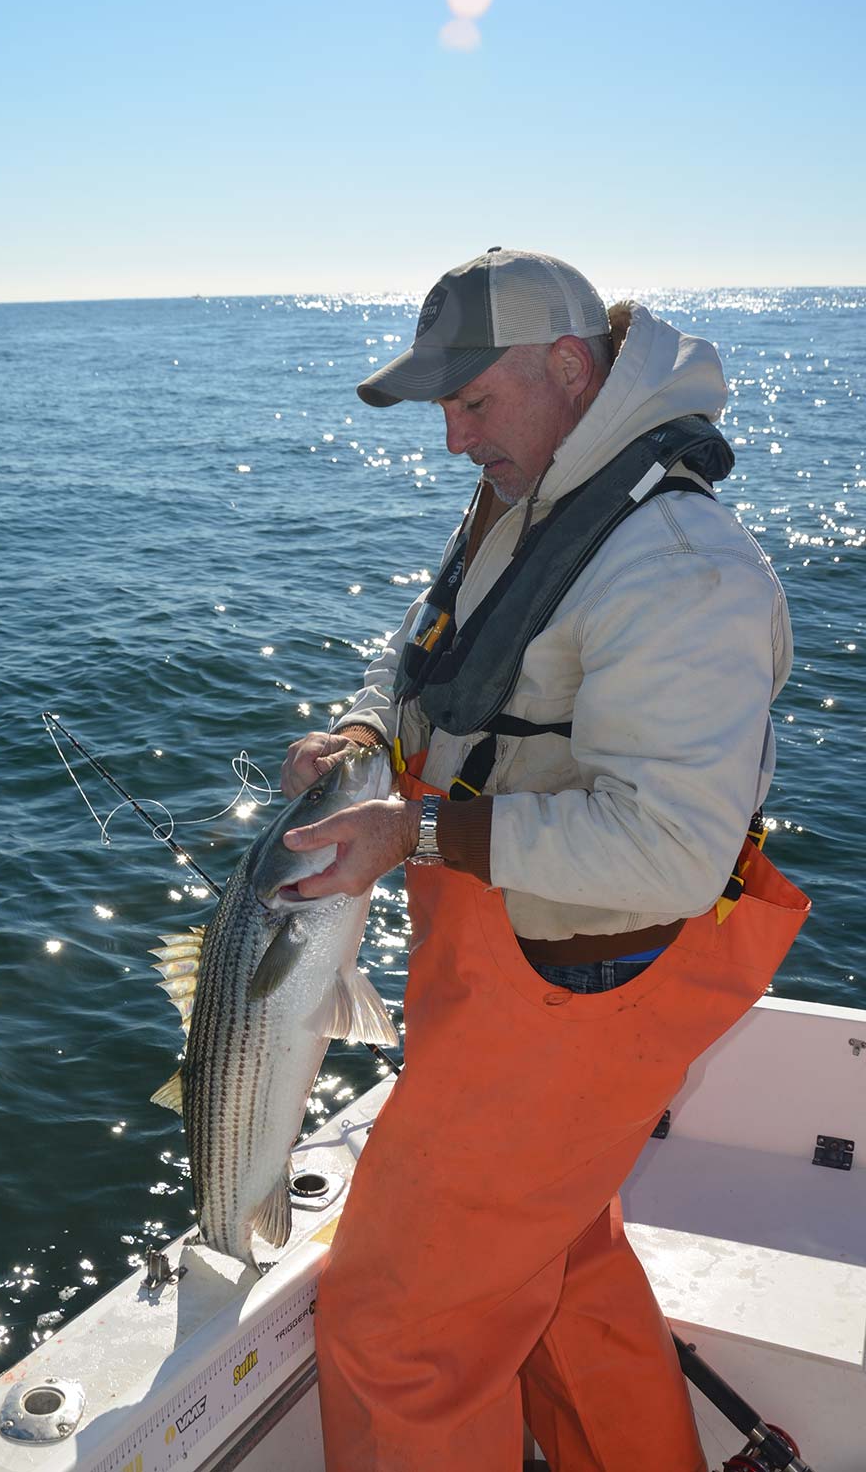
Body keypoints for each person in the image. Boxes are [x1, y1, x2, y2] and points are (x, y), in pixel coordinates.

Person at [279, 249, 809, 1472]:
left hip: (575, 1000)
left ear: (569, 367)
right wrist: (368, 728)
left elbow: (672, 850)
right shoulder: (541, 498)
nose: (455, 439)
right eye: (444, 410)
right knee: (554, 1262)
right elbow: (429, 661)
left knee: (397, 1330)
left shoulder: (677, 566)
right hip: (505, 972)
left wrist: (410, 832)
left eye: (474, 402)